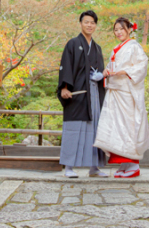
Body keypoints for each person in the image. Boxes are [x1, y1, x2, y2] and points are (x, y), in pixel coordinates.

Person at [93, 17, 149, 178]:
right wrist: (102, 74)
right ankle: (124, 164)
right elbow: (110, 67)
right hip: (115, 91)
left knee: (128, 126)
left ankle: (133, 164)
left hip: (126, 91)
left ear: (129, 30)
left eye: (121, 29)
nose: (118, 32)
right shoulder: (116, 48)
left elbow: (142, 64)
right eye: (116, 29)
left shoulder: (134, 46)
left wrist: (123, 72)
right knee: (115, 127)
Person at [57, 10, 108, 178]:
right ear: (81, 23)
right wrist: (65, 87)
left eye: (92, 23)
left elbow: (101, 70)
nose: (89, 25)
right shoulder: (73, 44)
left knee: (95, 129)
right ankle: (69, 167)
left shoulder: (98, 48)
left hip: (94, 93)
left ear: (95, 25)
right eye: (86, 22)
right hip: (77, 94)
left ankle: (94, 167)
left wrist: (101, 76)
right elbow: (66, 66)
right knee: (74, 129)